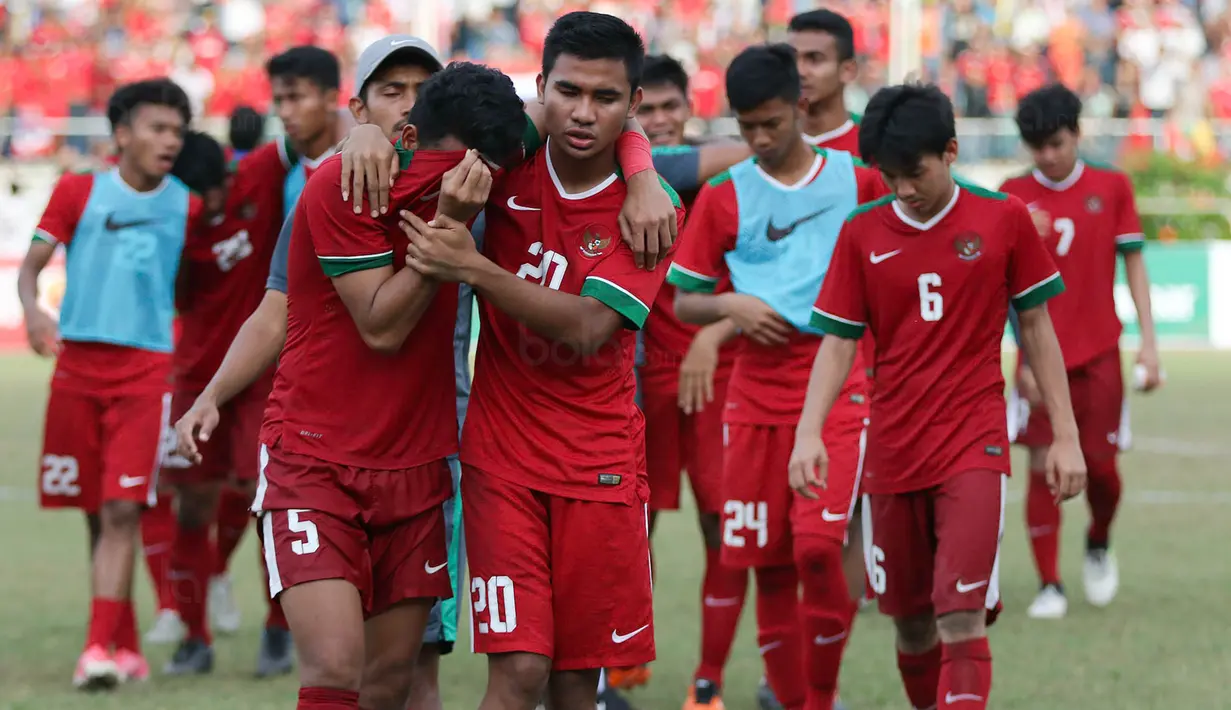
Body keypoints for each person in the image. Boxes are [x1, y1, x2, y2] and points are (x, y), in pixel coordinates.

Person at [396, 13, 682, 710]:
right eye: (568, 91)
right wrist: (375, 136)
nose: (583, 113)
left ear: (633, 104)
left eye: (606, 98)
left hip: (600, 467)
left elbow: (589, 327)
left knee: (574, 685)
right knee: (518, 672)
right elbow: (433, 134)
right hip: (501, 461)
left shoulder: (651, 209)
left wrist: (473, 269)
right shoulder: (512, 151)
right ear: (540, 89)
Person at [791, 82, 1087, 710]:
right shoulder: (860, 233)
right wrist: (809, 431)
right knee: (912, 622)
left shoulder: (1002, 218)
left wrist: (1065, 435)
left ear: (951, 151)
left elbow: (1035, 325)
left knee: (959, 617)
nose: (902, 189)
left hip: (973, 442)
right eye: (890, 175)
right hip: (892, 451)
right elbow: (839, 343)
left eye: (914, 173)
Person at [252, 61, 527, 710]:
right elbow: (380, 326)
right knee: (335, 667)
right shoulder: (344, 187)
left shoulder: (491, 158)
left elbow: (587, 120)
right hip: (314, 461)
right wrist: (449, 227)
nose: (456, 183)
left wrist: (640, 167)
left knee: (388, 682)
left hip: (418, 469)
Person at [667, 45, 884, 710]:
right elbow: (684, 298)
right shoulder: (725, 194)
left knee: (819, 549)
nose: (758, 140)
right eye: (745, 126)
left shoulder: (858, 180)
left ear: (800, 106)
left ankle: (818, 695)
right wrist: (729, 305)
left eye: (770, 123)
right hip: (754, 397)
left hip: (837, 385)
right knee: (768, 564)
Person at [17, 78, 200, 690]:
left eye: (177, 130)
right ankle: (124, 648)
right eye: (157, 127)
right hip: (77, 371)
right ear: (121, 134)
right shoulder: (78, 191)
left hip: (146, 373)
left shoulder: (188, 205)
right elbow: (32, 268)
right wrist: (37, 311)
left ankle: (96, 648)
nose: (169, 140)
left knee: (123, 507)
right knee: (97, 517)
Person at [615, 54, 749, 707]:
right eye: (650, 110)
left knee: (719, 522)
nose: (662, 120)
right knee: (631, 524)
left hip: (714, 375)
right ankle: (623, 654)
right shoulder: (626, 171)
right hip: (638, 379)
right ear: (631, 111)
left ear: (688, 111)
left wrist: (714, 333)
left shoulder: (727, 181)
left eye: (673, 108)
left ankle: (708, 680)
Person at [1000, 84, 1161, 619]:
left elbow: (1133, 263)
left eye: (1057, 143)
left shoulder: (1112, 186)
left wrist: (1150, 346)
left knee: (1100, 469)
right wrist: (1021, 356)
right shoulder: (1011, 195)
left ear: (1077, 134)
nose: (1047, 156)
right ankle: (1050, 584)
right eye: (1037, 146)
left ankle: (1097, 538)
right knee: (1044, 464)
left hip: (1099, 353)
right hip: (1039, 362)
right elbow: (997, 285)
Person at [158, 126, 294, 676]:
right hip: (193, 381)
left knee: (264, 503)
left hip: (259, 375)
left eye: (216, 187)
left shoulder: (256, 176)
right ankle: (194, 638)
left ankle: (278, 631)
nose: (211, 200)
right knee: (190, 507)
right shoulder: (173, 223)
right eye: (199, 192)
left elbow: (311, 130)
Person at [789, 10, 861, 152]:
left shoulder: (877, 146)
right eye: (792, 58)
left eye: (814, 59)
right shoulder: (770, 146)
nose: (800, 71)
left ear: (848, 71)